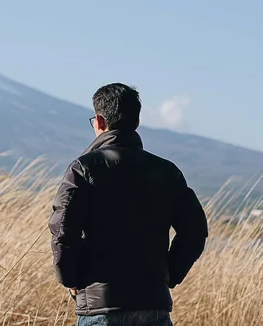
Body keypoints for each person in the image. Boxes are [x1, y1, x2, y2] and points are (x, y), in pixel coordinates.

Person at [48, 83, 208, 326]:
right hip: (154, 305)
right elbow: (195, 232)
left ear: (99, 122)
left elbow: (63, 231)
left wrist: (71, 279)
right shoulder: (167, 172)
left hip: (101, 308)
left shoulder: (83, 169)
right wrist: (166, 275)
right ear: (137, 122)